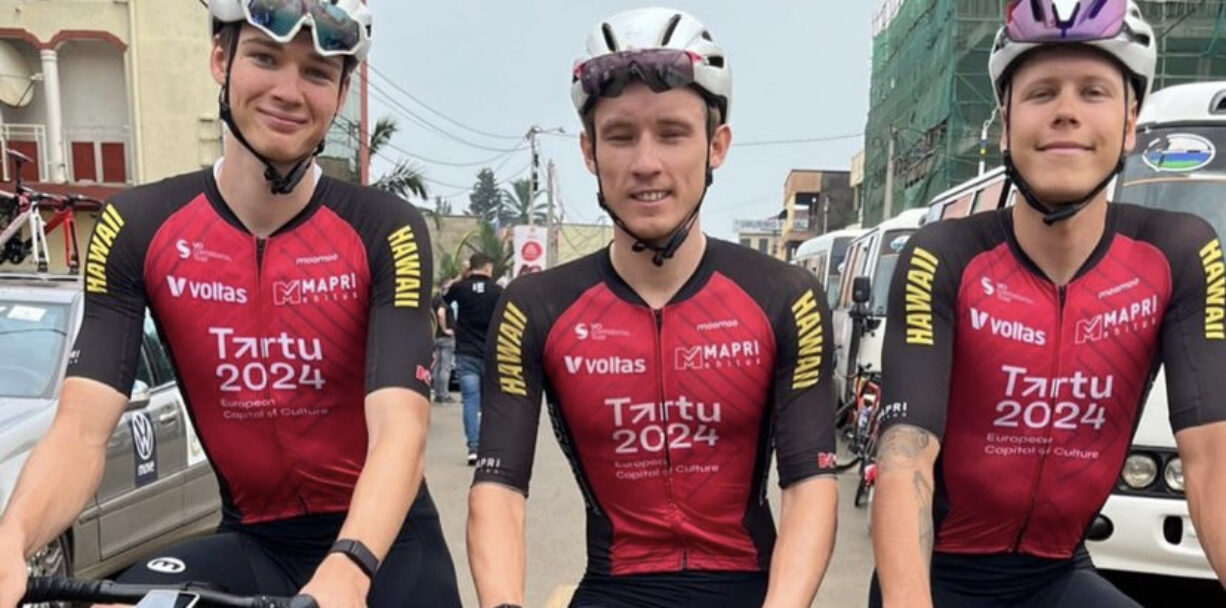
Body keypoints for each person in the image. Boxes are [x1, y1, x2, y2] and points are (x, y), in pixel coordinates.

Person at [0, 2, 462, 607]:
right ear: (220, 59)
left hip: (385, 550)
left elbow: (401, 429)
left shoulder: (384, 229)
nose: (288, 91)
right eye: (265, 59)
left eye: (317, 73)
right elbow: (82, 430)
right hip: (256, 545)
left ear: (342, 92)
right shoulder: (138, 227)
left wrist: (348, 568)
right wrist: (11, 541)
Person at [467, 8, 839, 608]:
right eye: (620, 136)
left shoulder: (784, 295)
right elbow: (499, 490)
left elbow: (809, 485)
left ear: (716, 146)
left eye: (672, 133)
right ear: (589, 151)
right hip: (613, 588)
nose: (646, 163)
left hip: (754, 590)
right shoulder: (535, 307)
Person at [871, 2, 1226, 606]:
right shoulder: (944, 256)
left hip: (1055, 574)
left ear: (1130, 123)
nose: (1066, 111)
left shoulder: (1178, 254)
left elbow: (1213, 463)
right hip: (935, 575)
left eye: (1093, 91)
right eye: (1041, 93)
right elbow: (906, 459)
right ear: (1005, 125)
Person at [444, 252, 503, 465]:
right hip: (490, 353)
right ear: (487, 268)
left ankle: (473, 448)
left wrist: (462, 276)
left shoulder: (461, 288)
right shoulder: (498, 291)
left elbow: (444, 298)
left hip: (466, 352)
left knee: (470, 399)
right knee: (490, 402)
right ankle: (489, 446)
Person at [432, 281, 457, 404]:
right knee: (445, 368)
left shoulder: (434, 300)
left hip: (435, 337)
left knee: (437, 367)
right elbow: (441, 314)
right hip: (446, 338)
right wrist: (445, 329)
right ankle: (444, 395)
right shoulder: (444, 301)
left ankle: (437, 394)